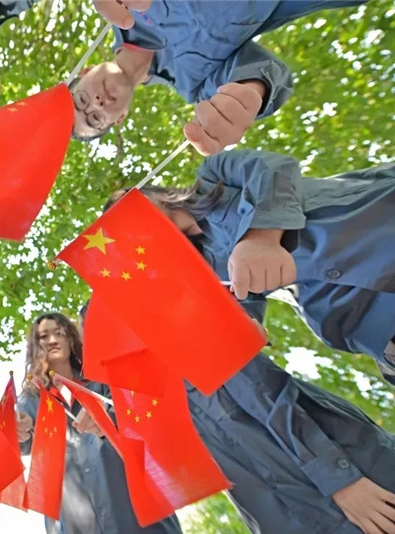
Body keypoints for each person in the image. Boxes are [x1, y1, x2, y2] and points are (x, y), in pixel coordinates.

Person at [78, 300, 395, 533]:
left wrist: (341, 480)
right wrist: (109, 428)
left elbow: (272, 401)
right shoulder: (153, 408)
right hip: (289, 520)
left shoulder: (198, 341)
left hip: (358, 480)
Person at [105, 149, 395, 385]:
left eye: (127, 209)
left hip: (373, 224)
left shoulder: (213, 173)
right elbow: (245, 307)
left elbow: (275, 170)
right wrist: (242, 331)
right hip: (361, 317)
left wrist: (262, 236)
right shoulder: (203, 276)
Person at [70, 0, 367, 152]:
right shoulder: (195, 88)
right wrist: (250, 93)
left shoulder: (118, 6)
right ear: (119, 118)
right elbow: (257, 71)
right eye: (95, 119)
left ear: (84, 71)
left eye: (81, 100)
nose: (96, 103)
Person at [15, 312, 182, 534]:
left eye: (59, 333)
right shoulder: (31, 398)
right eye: (44, 336)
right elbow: (21, 443)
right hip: (73, 521)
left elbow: (139, 416)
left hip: (132, 506)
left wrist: (108, 418)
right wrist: (19, 429)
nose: (52, 340)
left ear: (71, 338)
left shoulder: (102, 376)